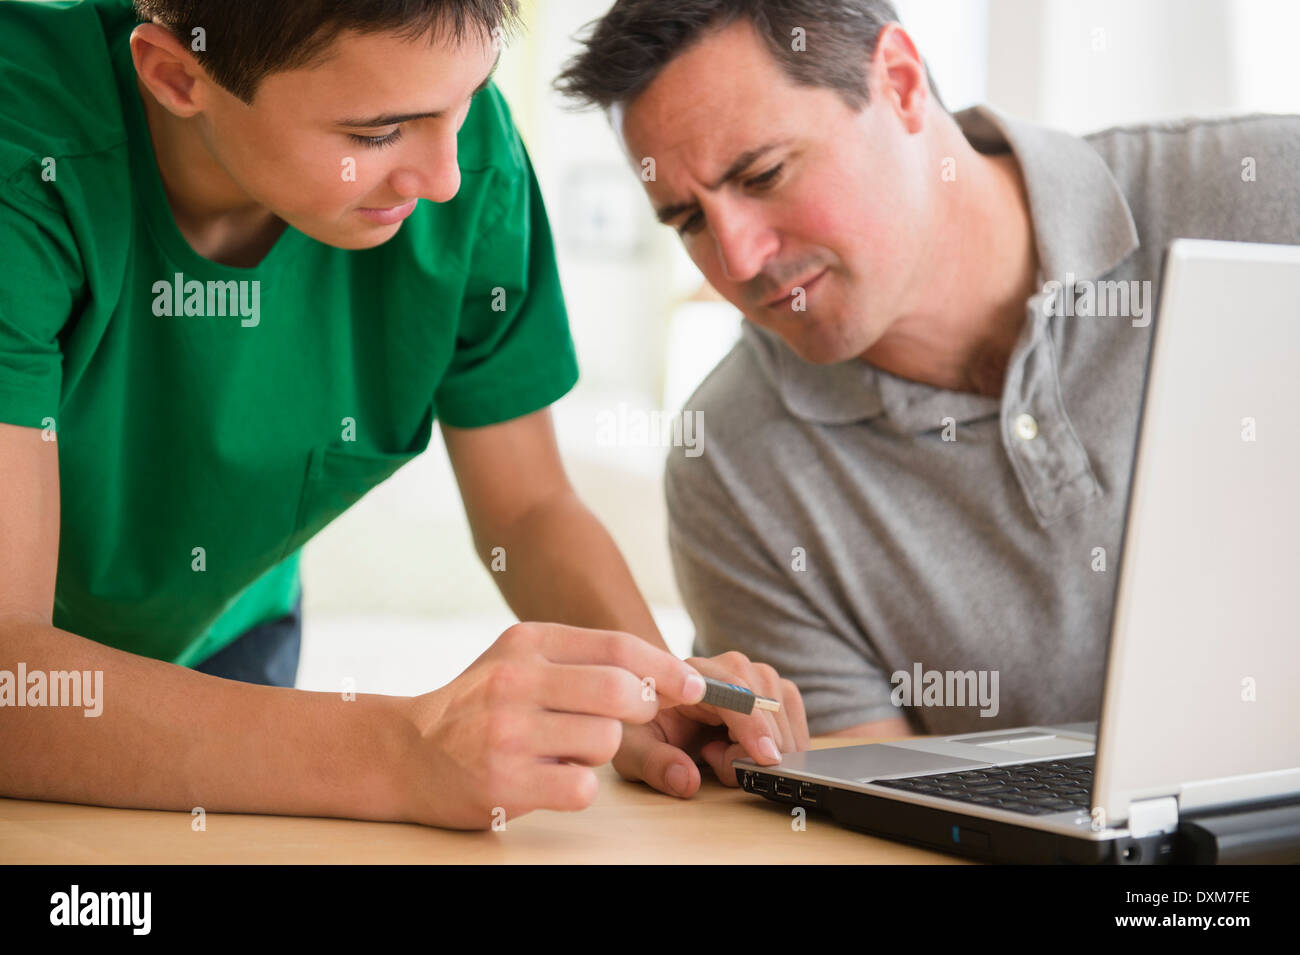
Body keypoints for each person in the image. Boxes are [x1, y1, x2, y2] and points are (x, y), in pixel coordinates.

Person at [0, 0, 810, 832]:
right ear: (177, 76)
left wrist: (648, 689)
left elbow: (528, 507)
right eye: (377, 134)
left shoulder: (463, 152)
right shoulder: (25, 156)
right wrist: (400, 747)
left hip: (223, 647)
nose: (448, 177)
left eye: (468, 99)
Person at [556, 0, 1300, 737]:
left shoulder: (1268, 192)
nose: (738, 259)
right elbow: (874, 826)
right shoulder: (733, 463)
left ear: (902, 83)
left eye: (764, 174)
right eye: (689, 220)